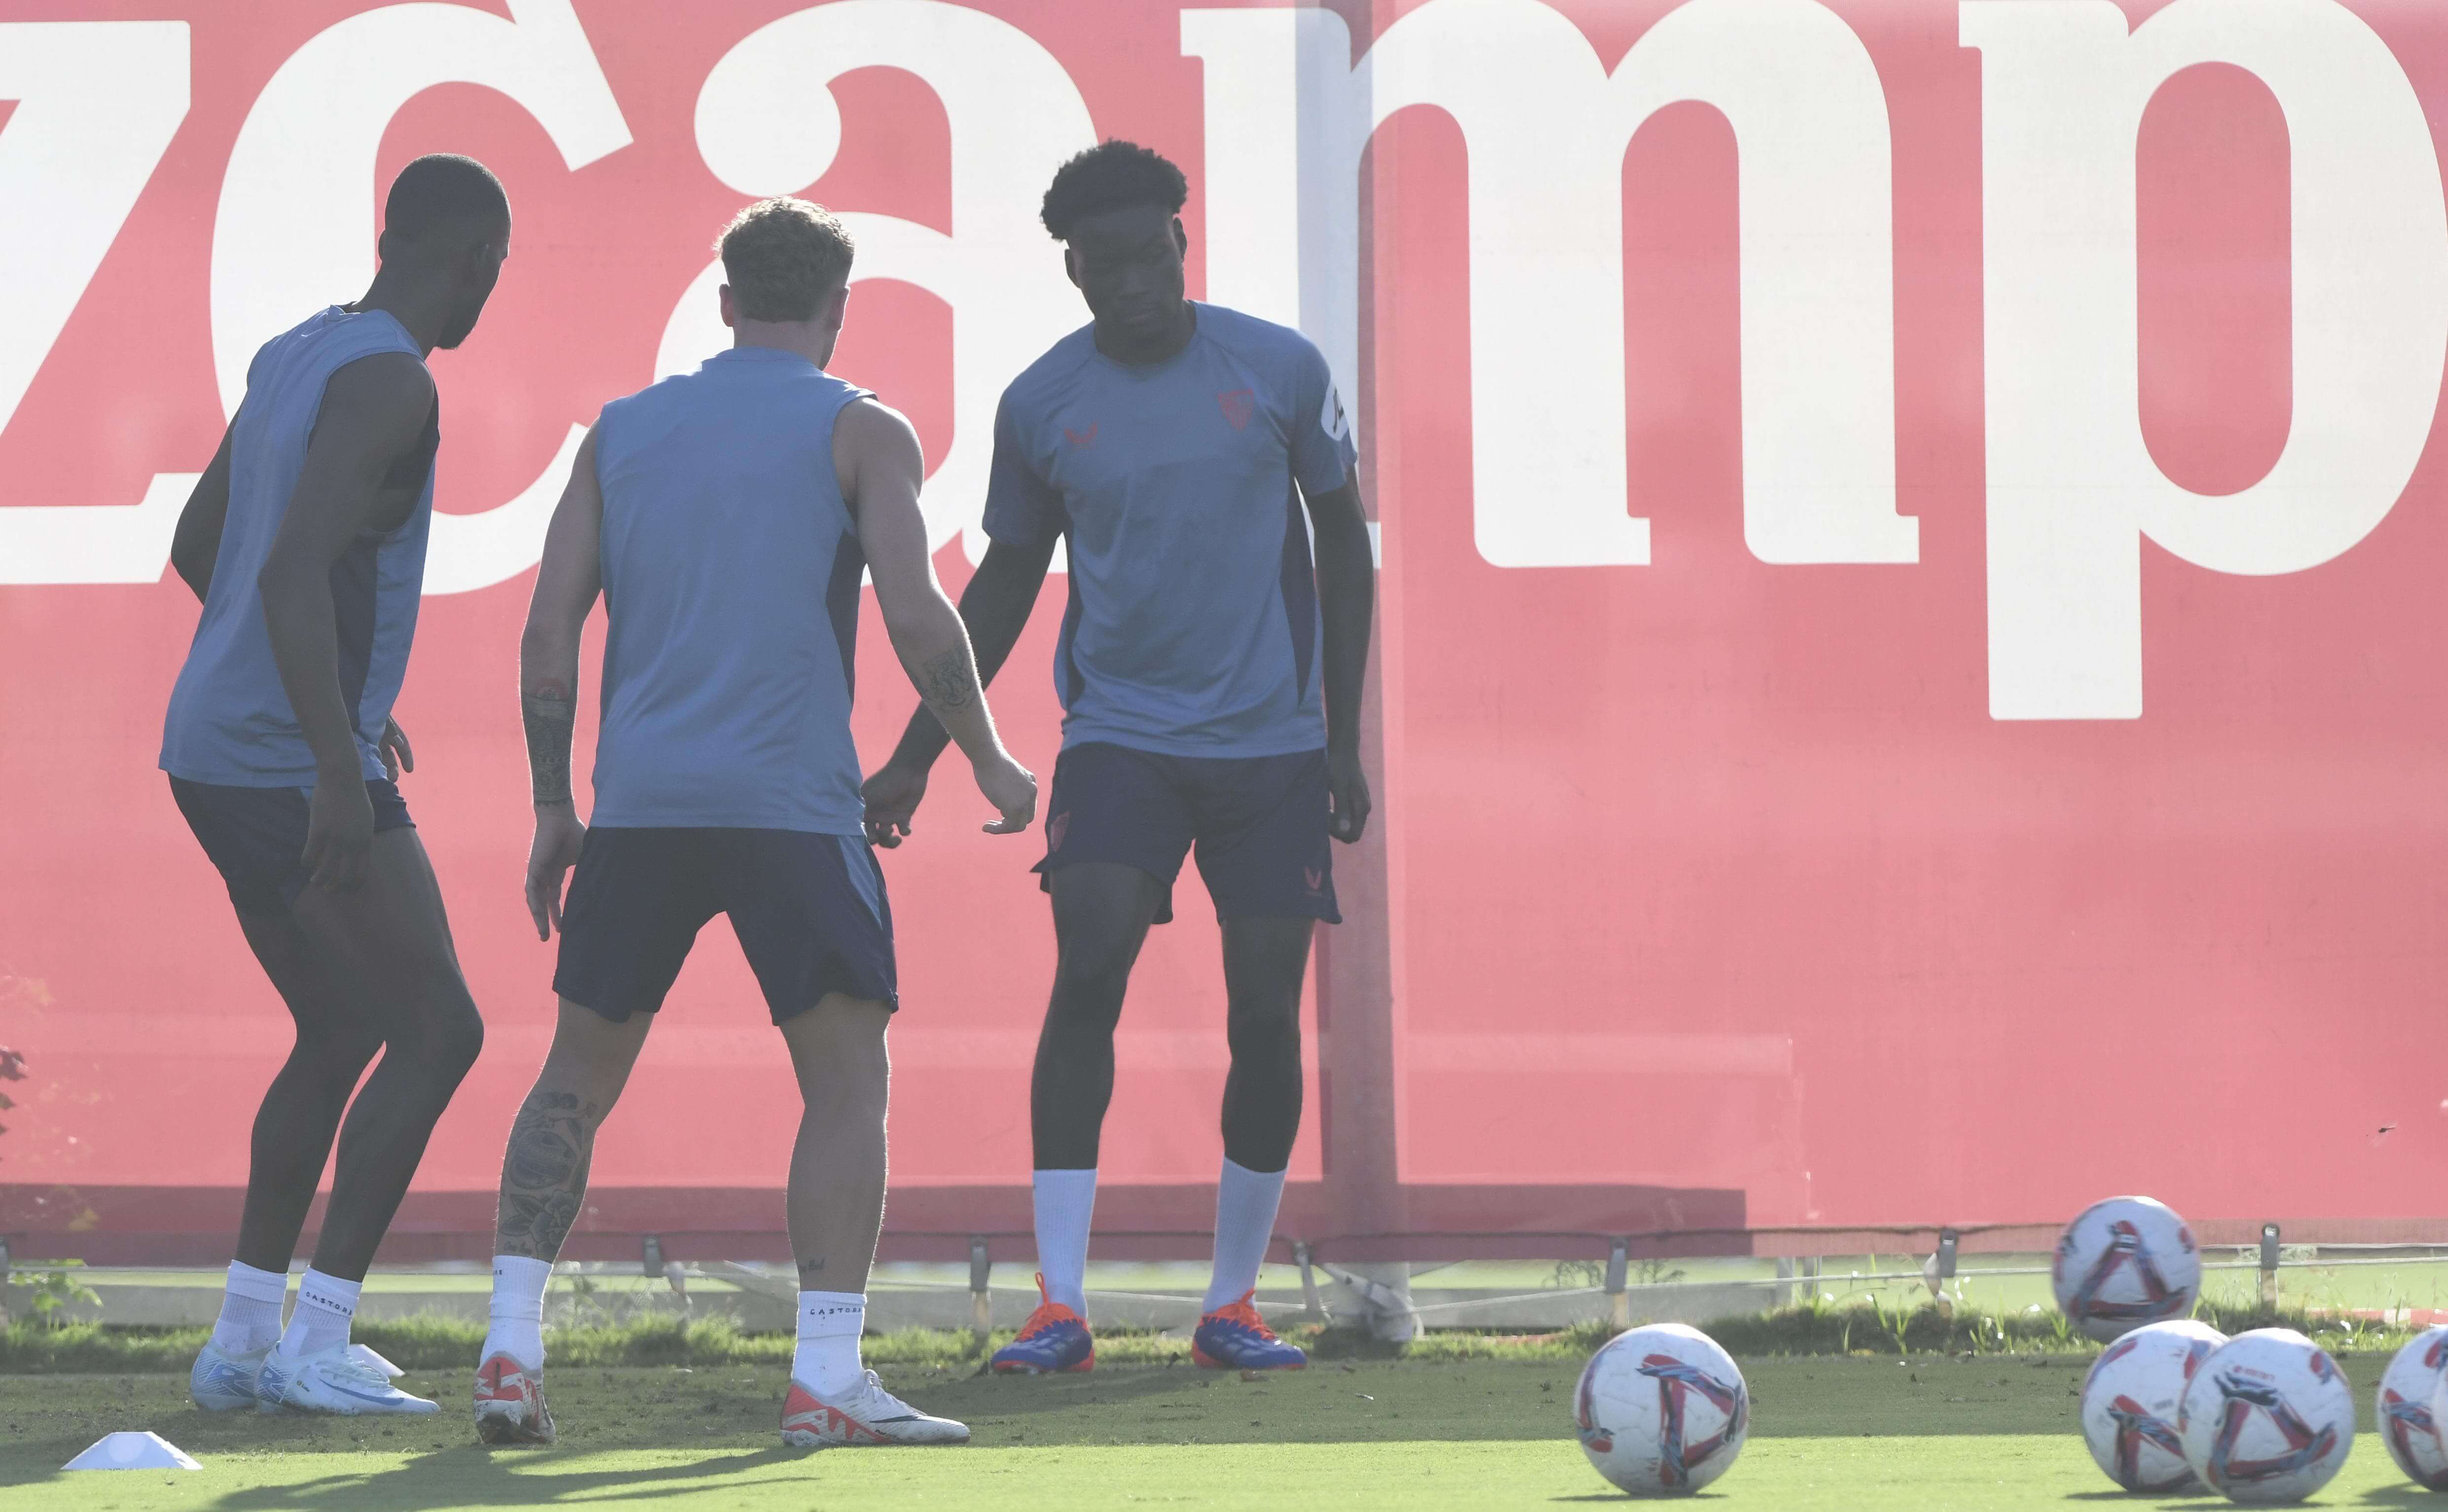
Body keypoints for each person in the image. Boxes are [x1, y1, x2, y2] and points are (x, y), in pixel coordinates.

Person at [471, 197, 1034, 1448]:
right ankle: (822, 1378)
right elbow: (918, 615)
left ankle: (509, 1348)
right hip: (788, 811)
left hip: (644, 812)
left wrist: (556, 803)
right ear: (836, 311)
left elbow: (547, 636)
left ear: (723, 303)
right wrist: (986, 762)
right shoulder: (861, 425)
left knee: (574, 1078)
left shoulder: (621, 433)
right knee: (845, 1079)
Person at [861, 140, 1377, 1375]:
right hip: (1117, 738)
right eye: (1111, 265)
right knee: (1088, 961)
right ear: (1074, 269)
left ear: (1182, 249)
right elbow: (998, 589)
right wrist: (915, 753)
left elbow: (1345, 548)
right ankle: (1058, 1304)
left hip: (1269, 746)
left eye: (1157, 256)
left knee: (1264, 1009)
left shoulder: (1278, 369)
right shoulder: (1042, 404)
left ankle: (1233, 1304)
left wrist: (1340, 738)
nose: (1139, 282)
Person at [164, 154, 510, 1416]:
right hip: (278, 758)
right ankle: (316, 1342)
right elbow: (290, 568)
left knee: (343, 1025)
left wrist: (340, 699)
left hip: (212, 745)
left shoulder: (296, 350)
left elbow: (205, 545)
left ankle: (243, 1342)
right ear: (474, 264)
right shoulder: (396, 384)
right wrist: (328, 752)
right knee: (440, 1030)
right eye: (493, 271)